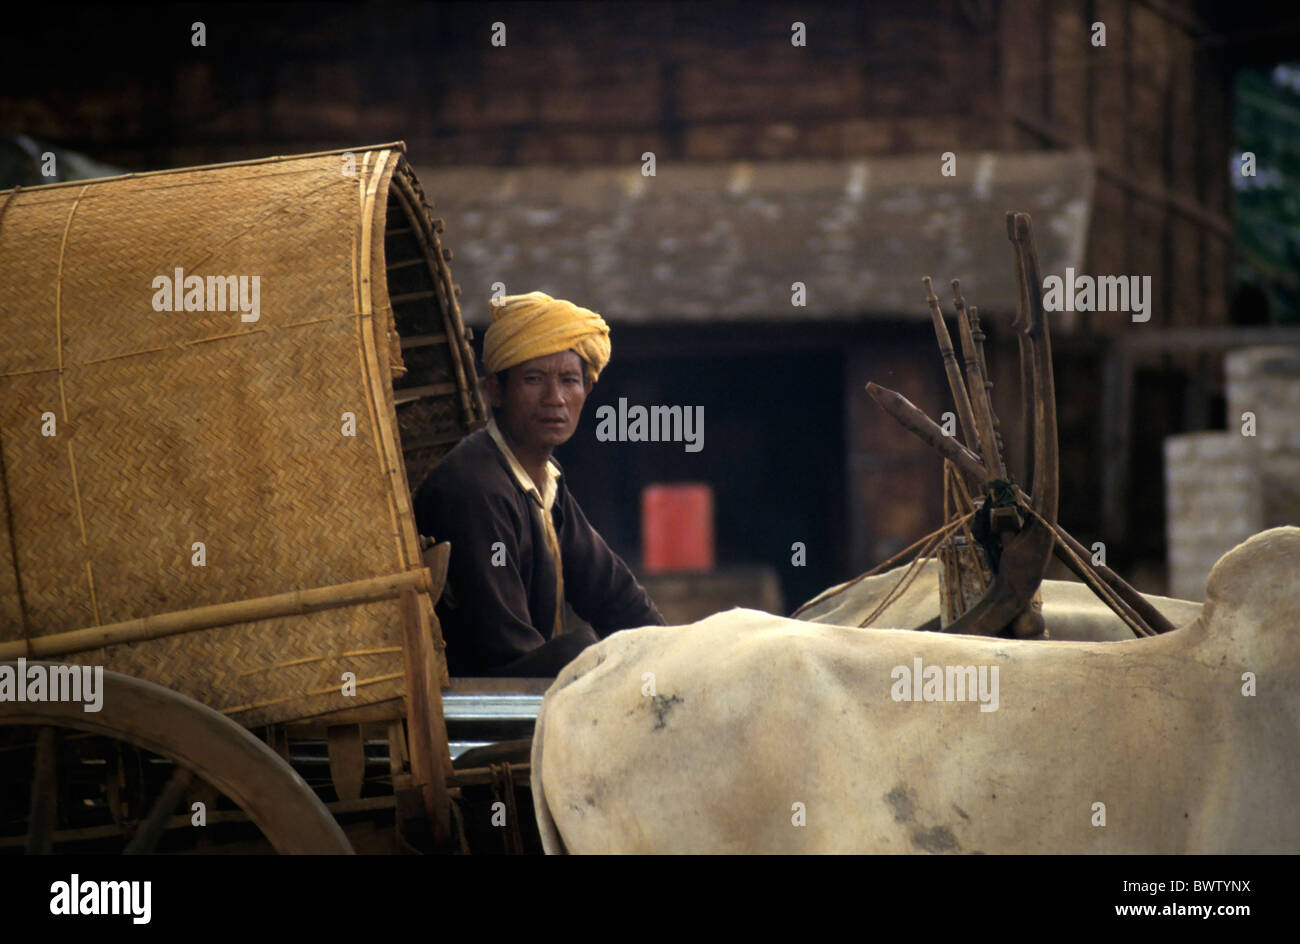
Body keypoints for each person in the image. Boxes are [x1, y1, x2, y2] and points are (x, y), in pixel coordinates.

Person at [413, 291, 665, 676]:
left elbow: (614, 595)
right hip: (479, 709)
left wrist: (672, 653)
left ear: (587, 390)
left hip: (524, 690)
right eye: (534, 380)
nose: (555, 398)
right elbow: (506, 650)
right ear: (496, 390)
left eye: (569, 380)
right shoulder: (476, 488)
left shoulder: (546, 483)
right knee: (582, 651)